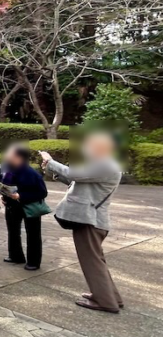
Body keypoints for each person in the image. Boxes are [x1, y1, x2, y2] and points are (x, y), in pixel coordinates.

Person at [40, 131, 123, 313]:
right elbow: (75, 181)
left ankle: (106, 302)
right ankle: (110, 296)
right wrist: (52, 168)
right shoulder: (104, 164)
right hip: (92, 220)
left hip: (90, 221)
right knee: (96, 260)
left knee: (91, 261)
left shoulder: (105, 165)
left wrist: (51, 161)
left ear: (99, 148)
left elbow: (74, 174)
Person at [0, 144, 47, 270]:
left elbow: (42, 192)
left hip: (29, 206)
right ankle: (15, 256)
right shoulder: (4, 167)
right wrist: (0, 195)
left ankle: (33, 262)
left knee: (33, 234)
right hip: (11, 205)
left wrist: (20, 196)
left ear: (19, 157)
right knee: (13, 231)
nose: (7, 154)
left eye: (10, 153)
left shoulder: (31, 173)